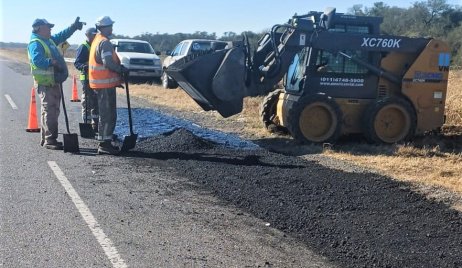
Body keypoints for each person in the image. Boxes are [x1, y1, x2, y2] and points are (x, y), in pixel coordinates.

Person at [28, 17, 83, 150]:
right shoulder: (36, 43)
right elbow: (37, 61)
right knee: (50, 111)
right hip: (46, 83)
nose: (51, 29)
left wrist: (73, 27)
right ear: (39, 28)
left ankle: (46, 138)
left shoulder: (48, 40)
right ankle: (50, 140)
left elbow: (62, 35)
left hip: (53, 81)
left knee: (50, 111)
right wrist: (52, 62)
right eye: (48, 27)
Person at [89, 16, 127, 155]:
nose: (112, 28)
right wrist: (121, 70)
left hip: (102, 84)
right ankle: (104, 144)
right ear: (103, 27)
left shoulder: (97, 40)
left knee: (106, 114)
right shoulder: (104, 42)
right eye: (110, 26)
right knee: (108, 115)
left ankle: (105, 140)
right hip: (103, 86)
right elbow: (108, 63)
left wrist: (116, 80)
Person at [74, 27, 99, 132]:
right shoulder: (83, 47)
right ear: (88, 35)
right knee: (88, 102)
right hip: (87, 79)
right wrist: (84, 67)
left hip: (96, 79)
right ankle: (87, 125)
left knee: (96, 103)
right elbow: (77, 63)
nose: (95, 37)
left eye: (95, 35)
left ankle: (96, 125)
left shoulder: (97, 46)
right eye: (93, 35)